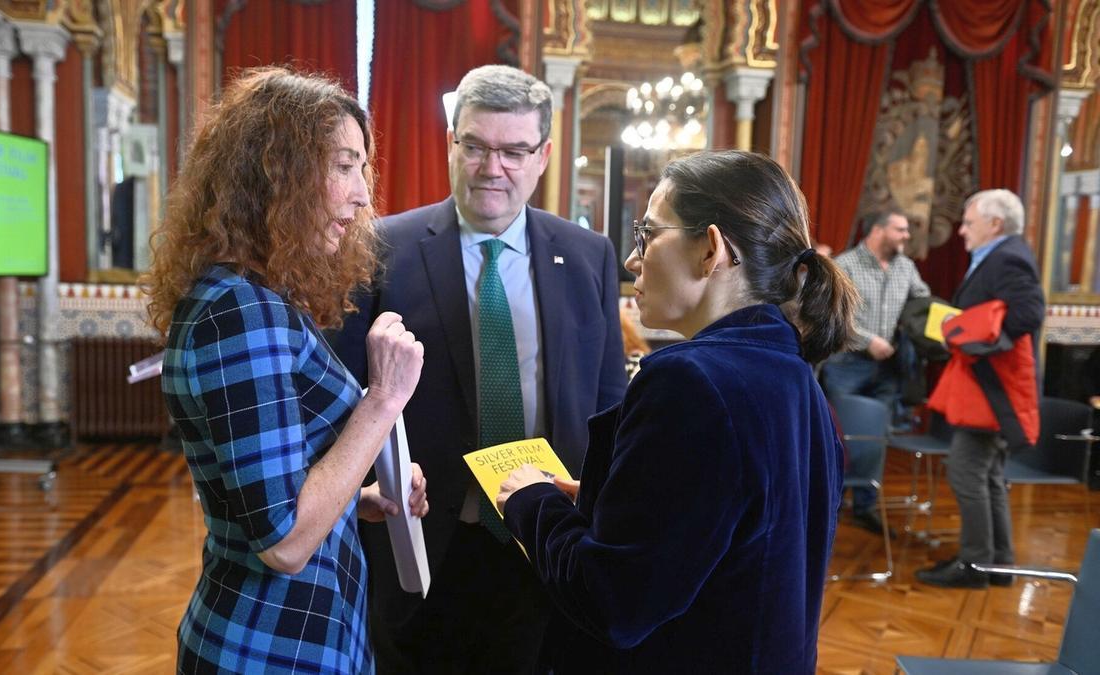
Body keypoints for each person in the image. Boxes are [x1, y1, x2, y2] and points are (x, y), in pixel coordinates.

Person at [496, 150, 858, 672]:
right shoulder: (795, 375)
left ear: (710, 249)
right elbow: (731, 541)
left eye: (647, 234)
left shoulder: (690, 381)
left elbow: (614, 602)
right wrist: (603, 501)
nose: (631, 259)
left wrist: (530, 502)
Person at [334, 64, 626, 673]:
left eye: (515, 150)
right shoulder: (381, 247)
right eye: (476, 146)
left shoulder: (588, 254)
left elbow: (606, 403)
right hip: (421, 538)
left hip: (546, 538)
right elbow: (343, 395)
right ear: (451, 143)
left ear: (543, 155)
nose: (493, 168)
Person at [143, 67, 430, 673]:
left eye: (362, 168)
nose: (361, 194)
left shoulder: (255, 296)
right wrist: (383, 400)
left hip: (305, 637)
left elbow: (274, 490)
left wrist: (363, 495)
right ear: (276, 173)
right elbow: (284, 541)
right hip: (268, 647)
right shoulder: (238, 310)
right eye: (342, 165)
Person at [916, 189, 1044, 589]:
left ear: (995, 224)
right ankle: (998, 565)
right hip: (989, 388)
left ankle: (974, 566)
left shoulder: (1007, 257)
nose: (961, 231)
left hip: (992, 389)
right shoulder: (1003, 254)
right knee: (987, 475)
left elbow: (1029, 312)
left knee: (966, 471)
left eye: (969, 223)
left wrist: (978, 339)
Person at [822, 210, 930, 534]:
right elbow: (832, 317)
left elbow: (922, 301)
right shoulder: (845, 266)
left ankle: (866, 505)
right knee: (842, 435)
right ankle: (832, 503)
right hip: (847, 366)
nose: (906, 236)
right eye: (901, 229)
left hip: (887, 369)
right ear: (878, 231)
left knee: (876, 437)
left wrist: (914, 326)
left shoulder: (905, 267)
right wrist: (868, 340)